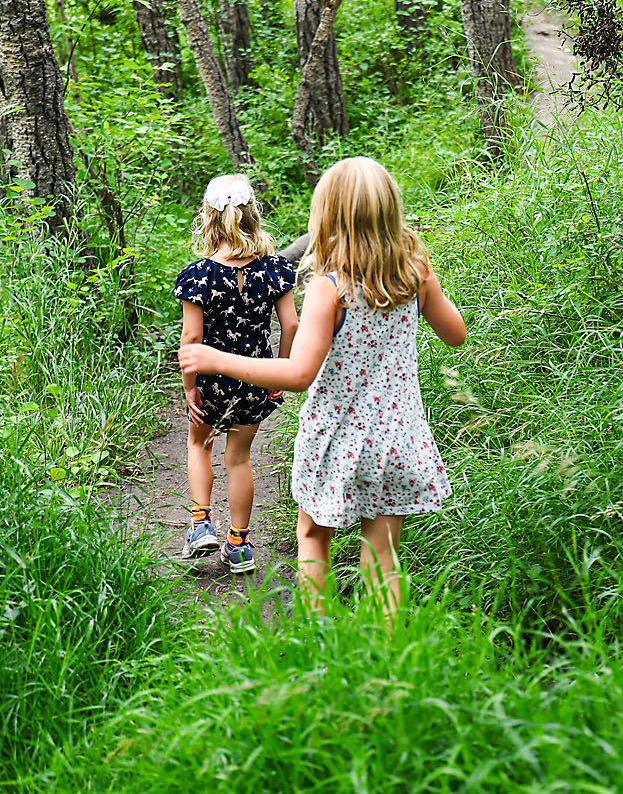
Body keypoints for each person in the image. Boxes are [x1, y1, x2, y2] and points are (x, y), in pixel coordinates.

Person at [179, 157, 466, 617]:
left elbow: (298, 374)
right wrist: (425, 278)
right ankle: (389, 649)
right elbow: (456, 333)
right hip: (399, 435)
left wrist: (214, 358)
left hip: (338, 437)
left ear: (327, 216)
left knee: (313, 536)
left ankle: (321, 644)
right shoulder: (414, 272)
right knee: (383, 554)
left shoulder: (329, 289)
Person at [174, 174, 299, 573]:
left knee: (199, 447)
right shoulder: (276, 269)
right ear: (252, 215)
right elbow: (291, 326)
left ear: (209, 218)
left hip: (210, 381)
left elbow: (191, 336)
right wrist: (278, 373)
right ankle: (240, 545)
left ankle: (200, 525)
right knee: (239, 459)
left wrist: (190, 388)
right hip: (256, 377)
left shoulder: (197, 276)